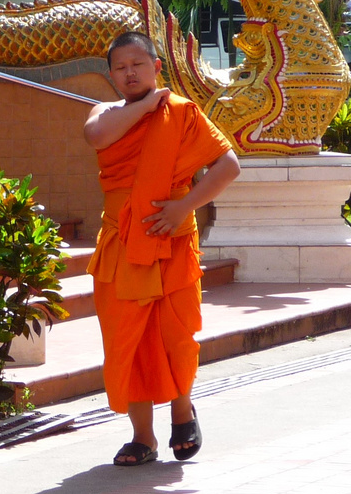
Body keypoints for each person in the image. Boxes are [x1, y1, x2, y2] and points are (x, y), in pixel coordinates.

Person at [82, 33, 241, 466]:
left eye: (138, 63)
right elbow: (96, 136)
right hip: (120, 243)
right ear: (111, 74)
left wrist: (185, 206)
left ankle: (182, 410)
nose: (130, 72)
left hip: (172, 242)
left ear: (156, 66)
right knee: (127, 340)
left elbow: (228, 165)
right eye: (120, 67)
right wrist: (146, 107)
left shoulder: (182, 114)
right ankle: (142, 437)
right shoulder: (106, 112)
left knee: (174, 335)